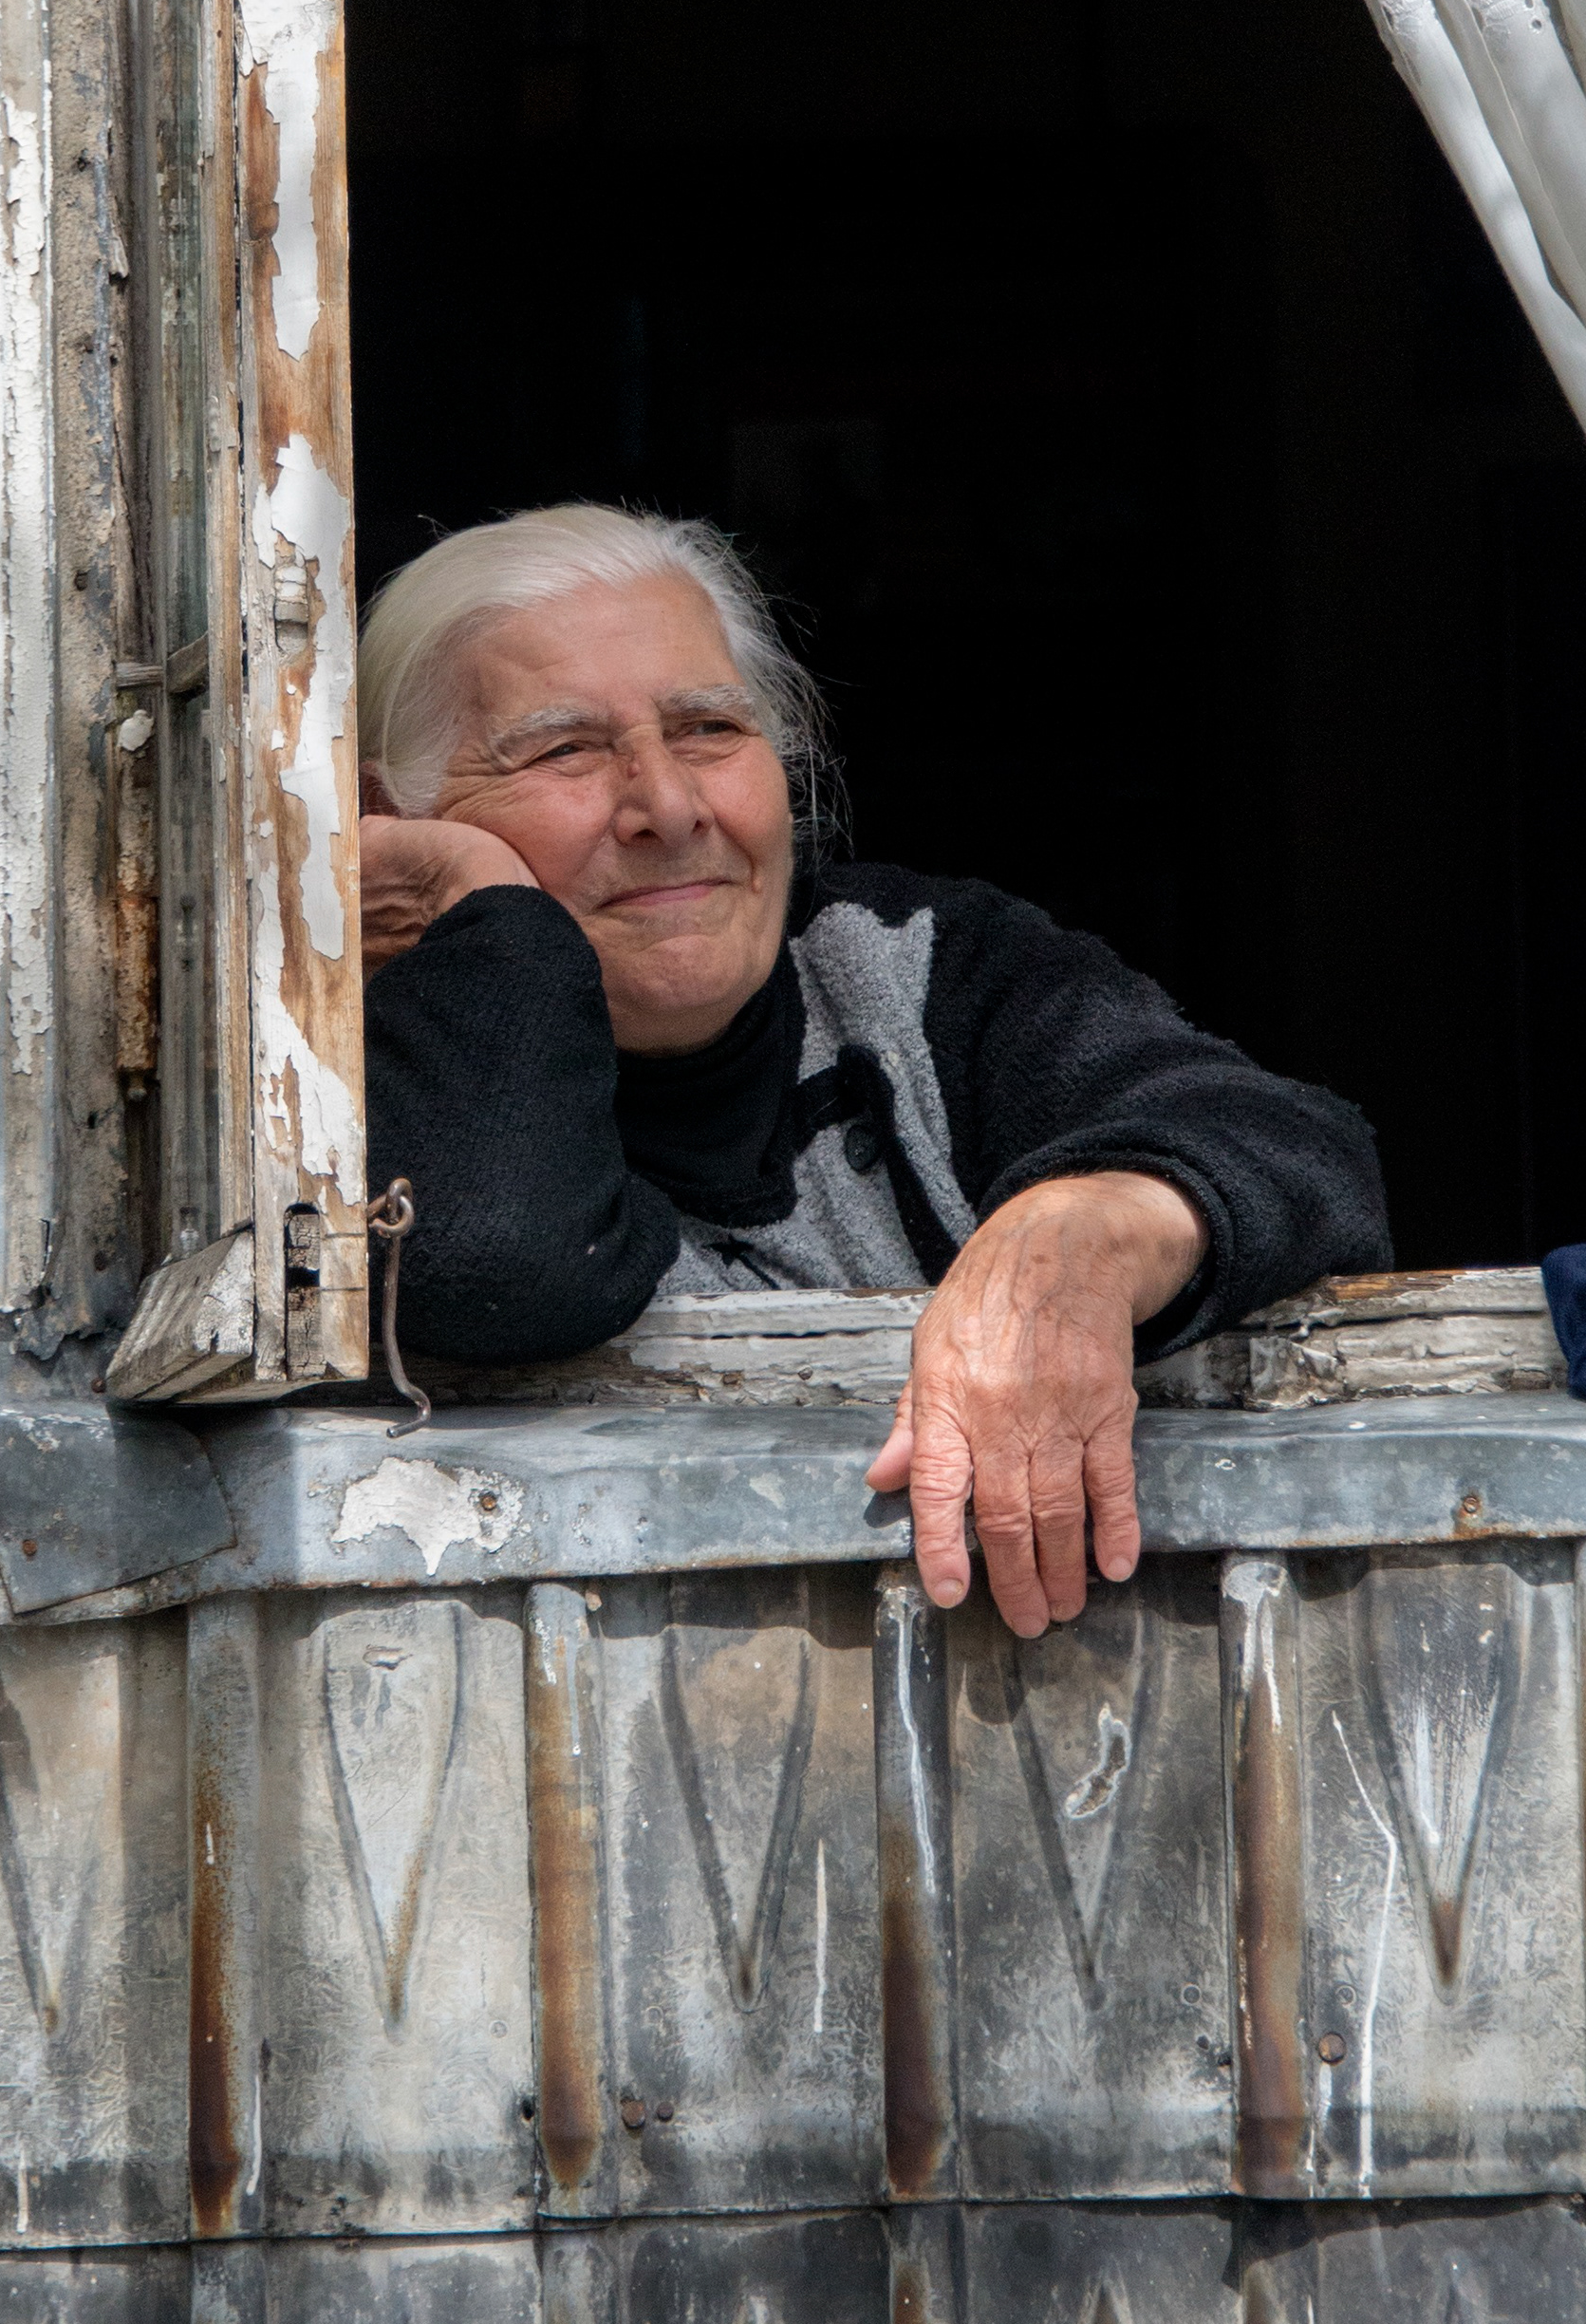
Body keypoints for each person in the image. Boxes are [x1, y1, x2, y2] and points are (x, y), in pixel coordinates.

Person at [360, 501, 1385, 1639]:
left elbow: (1304, 1151)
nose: (670, 806)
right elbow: (496, 1262)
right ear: (389, 821)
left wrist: (1079, 1241)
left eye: (709, 728)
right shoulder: (332, 1087)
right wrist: (482, 918)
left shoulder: (912, 961)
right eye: (564, 751)